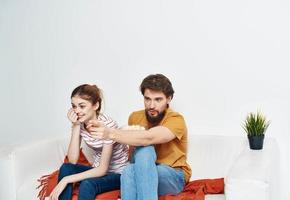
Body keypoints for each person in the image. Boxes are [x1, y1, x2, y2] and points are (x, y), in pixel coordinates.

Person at [87, 74, 192, 200]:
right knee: (128, 171)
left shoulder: (176, 120)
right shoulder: (135, 117)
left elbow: (149, 138)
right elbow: (132, 158)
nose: (151, 105)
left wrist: (110, 133)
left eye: (158, 100)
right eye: (147, 99)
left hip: (173, 175)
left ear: (169, 99)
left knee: (144, 148)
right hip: (142, 170)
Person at [49, 84, 129, 200]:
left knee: (88, 184)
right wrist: (76, 125)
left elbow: (103, 169)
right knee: (66, 168)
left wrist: (66, 180)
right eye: (74, 106)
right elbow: (72, 161)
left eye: (82, 106)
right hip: (97, 170)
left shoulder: (107, 126)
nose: (77, 111)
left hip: (118, 174)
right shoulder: (81, 123)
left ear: (95, 105)